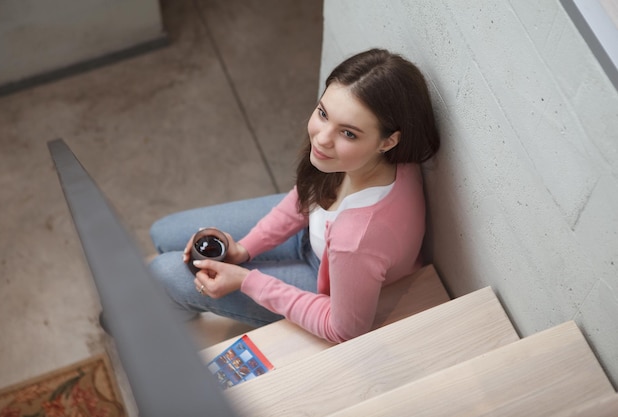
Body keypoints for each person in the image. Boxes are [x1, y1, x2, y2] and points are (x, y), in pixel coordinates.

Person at [149, 48, 440, 343]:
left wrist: (248, 281)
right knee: (163, 234)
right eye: (323, 114)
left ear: (389, 140)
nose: (322, 139)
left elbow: (345, 330)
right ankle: (167, 299)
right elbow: (305, 197)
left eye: (348, 133)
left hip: (327, 281)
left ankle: (166, 323)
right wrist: (245, 249)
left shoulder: (356, 240)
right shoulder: (370, 158)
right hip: (311, 239)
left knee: (166, 274)